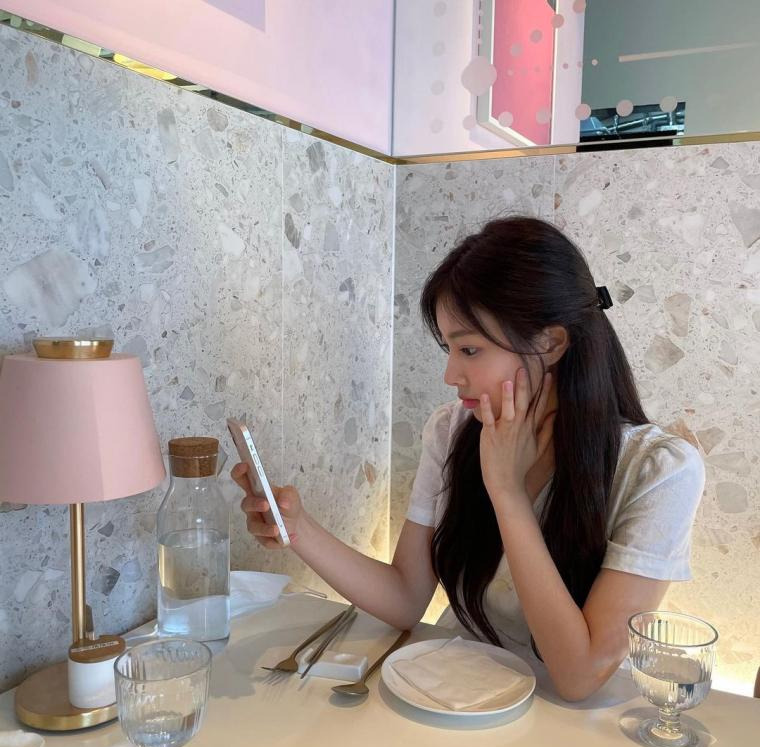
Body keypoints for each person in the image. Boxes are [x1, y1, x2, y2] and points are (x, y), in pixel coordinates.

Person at [232, 216, 704, 702]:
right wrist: (298, 528)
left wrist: (508, 494)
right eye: (450, 348)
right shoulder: (451, 430)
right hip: (449, 691)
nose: (451, 374)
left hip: (566, 721)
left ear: (551, 343)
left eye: (470, 349)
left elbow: (578, 676)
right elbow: (405, 598)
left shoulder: (659, 470)